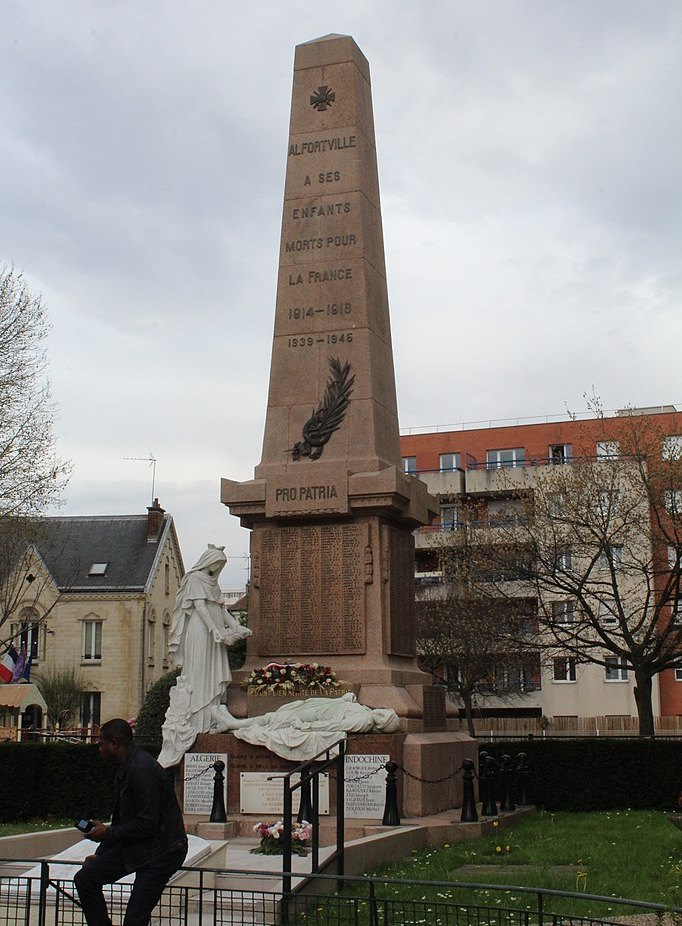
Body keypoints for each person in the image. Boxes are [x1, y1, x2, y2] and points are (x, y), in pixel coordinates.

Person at [74, 718, 188, 926]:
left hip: (163, 851)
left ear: (114, 744)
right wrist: (100, 855)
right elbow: (122, 819)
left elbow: (147, 824)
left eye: (101, 743)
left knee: (135, 919)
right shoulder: (125, 767)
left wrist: (107, 834)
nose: (98, 748)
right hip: (141, 845)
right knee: (85, 879)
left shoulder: (142, 770)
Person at [166, 545, 251, 737]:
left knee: (214, 671)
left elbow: (221, 609)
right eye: (218, 563)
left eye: (221, 564)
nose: (219, 567)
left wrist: (236, 627)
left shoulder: (214, 583)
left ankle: (213, 716)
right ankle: (197, 720)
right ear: (209, 561)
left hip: (215, 631)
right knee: (200, 670)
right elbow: (200, 606)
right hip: (201, 631)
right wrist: (214, 629)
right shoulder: (195, 578)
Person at [223, 692, 400, 761]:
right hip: (318, 707)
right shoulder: (365, 711)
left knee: (276, 719)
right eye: (386, 711)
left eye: (385, 717)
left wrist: (305, 726)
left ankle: (234, 724)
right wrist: (344, 699)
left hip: (315, 716)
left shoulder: (364, 720)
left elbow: (334, 725)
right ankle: (233, 722)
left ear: (382, 724)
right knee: (275, 716)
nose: (382, 712)